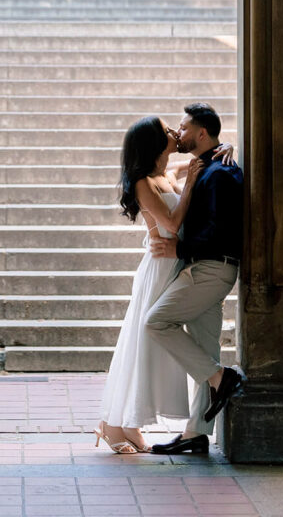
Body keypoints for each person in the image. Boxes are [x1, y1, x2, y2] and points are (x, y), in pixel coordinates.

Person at [94, 115, 233, 455]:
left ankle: (128, 424)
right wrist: (187, 188)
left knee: (152, 343)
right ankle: (115, 424)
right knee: (144, 339)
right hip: (160, 266)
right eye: (167, 130)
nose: (174, 132)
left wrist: (228, 147)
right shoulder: (144, 182)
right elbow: (170, 221)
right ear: (153, 143)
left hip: (178, 262)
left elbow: (203, 158)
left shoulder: (166, 175)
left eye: (176, 127)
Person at [146, 102, 244, 456]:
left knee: (156, 322)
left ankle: (222, 378)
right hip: (207, 267)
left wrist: (180, 249)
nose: (179, 131)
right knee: (205, 349)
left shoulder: (221, 173)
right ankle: (196, 433)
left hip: (211, 267)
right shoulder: (209, 165)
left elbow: (221, 230)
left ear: (202, 133)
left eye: (185, 127)